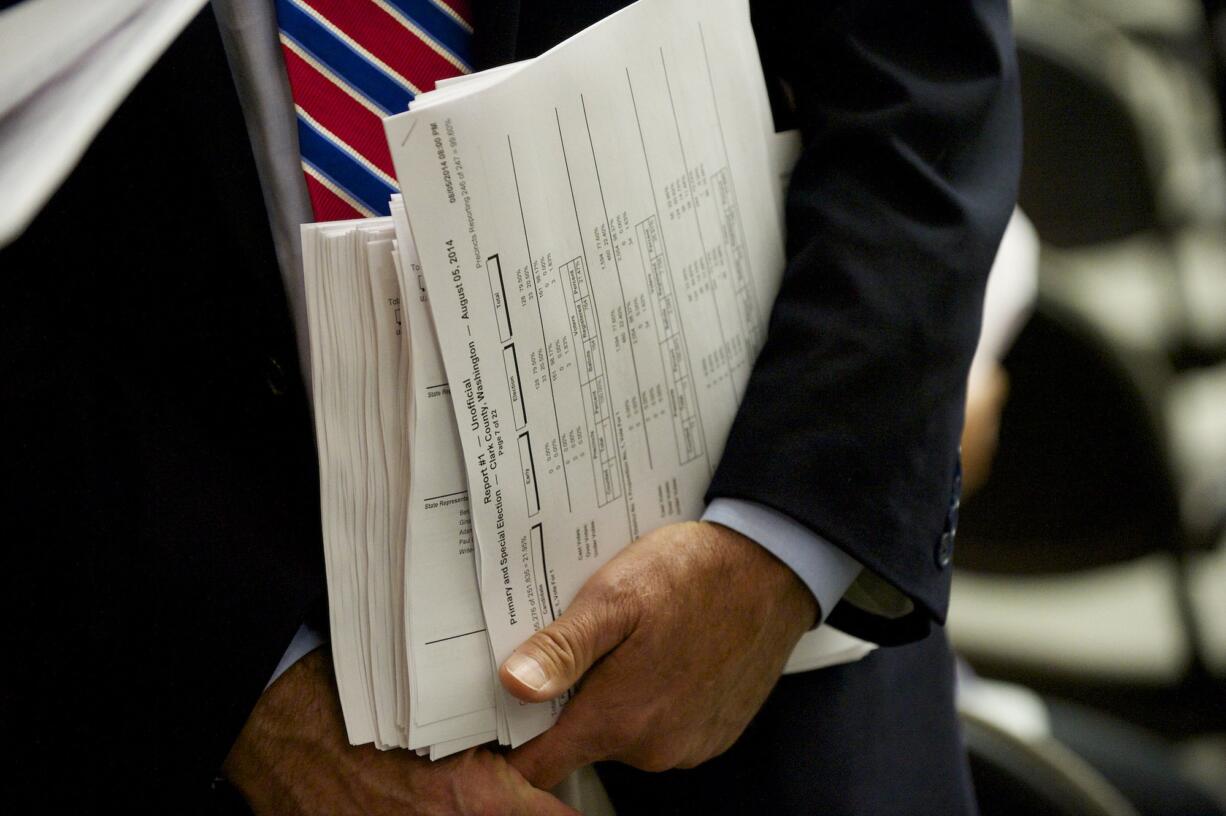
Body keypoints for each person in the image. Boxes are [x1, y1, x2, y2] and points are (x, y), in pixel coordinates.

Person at [0, 0, 1020, 813]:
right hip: (158, 656)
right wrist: (237, 679)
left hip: (772, 663)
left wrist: (778, 544)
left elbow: (924, 80)